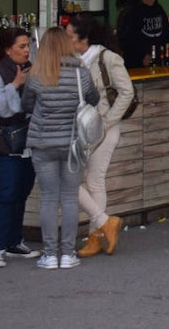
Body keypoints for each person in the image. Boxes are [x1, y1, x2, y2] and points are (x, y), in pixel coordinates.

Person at [21, 26, 99, 269]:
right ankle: (67, 254)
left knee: (48, 198)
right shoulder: (80, 74)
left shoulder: (36, 74)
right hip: (73, 144)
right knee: (69, 198)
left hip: (43, 143)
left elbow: (26, 105)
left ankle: (49, 254)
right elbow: (93, 100)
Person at [70, 14, 134, 258]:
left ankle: (96, 234)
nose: (66, 39)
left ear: (83, 38)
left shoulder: (107, 58)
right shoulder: (71, 60)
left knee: (92, 180)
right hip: (80, 128)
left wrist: (106, 122)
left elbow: (127, 92)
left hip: (103, 128)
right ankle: (104, 224)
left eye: (70, 35)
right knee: (82, 180)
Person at [0, 27, 40, 268]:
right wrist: (14, 85)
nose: (27, 51)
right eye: (21, 46)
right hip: (3, 141)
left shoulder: (31, 69)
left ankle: (14, 241)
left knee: (22, 191)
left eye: (28, 45)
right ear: (7, 49)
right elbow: (0, 108)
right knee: (7, 192)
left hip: (27, 139)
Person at [115, 0, 169, 68]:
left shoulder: (158, 9)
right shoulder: (131, 11)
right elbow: (124, 42)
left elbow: (167, 36)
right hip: (136, 70)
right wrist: (140, 57)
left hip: (158, 67)